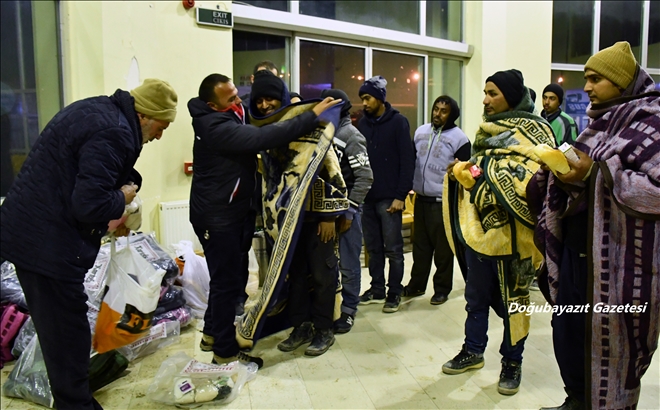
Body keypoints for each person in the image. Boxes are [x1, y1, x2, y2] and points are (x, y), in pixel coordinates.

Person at [0, 78, 178, 409]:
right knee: (67, 335)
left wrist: (124, 192)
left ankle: (74, 398)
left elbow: (89, 173)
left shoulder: (100, 110)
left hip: (38, 234)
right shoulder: (115, 130)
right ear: (144, 116)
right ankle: (76, 404)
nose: (159, 135)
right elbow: (89, 203)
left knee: (63, 330)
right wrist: (122, 199)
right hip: (45, 244)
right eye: (161, 126)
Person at [530, 41, 660, 410]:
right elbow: (586, 184)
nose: (586, 87)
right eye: (586, 78)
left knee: (612, 345)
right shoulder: (600, 122)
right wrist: (563, 175)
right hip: (576, 253)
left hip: (621, 268)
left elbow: (655, 192)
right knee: (569, 333)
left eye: (595, 78)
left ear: (621, 83)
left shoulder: (652, 123)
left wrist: (597, 173)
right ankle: (576, 399)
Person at [188, 73, 340, 366]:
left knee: (233, 280)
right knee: (227, 283)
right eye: (231, 98)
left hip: (241, 213)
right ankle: (224, 352)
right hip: (221, 218)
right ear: (212, 104)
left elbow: (330, 174)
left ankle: (212, 334)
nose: (240, 101)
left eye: (237, 94)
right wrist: (309, 116)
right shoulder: (215, 127)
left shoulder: (227, 114)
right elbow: (264, 137)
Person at [442, 69, 555, 396]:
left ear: (509, 94)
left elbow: (540, 177)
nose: (485, 99)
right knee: (475, 298)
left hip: (519, 238)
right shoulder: (486, 131)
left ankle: (512, 362)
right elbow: (481, 167)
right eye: (485, 93)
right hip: (483, 232)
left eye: (492, 93)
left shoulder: (537, 131)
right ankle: (473, 350)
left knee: (515, 304)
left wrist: (491, 178)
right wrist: (464, 171)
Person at [403, 95, 470, 305]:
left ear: (452, 115)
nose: (437, 114)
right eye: (436, 109)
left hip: (443, 202)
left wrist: (457, 173)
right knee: (420, 247)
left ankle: (441, 289)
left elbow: (467, 172)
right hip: (420, 200)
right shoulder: (420, 132)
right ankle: (416, 285)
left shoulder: (460, 139)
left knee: (443, 250)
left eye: (443, 111)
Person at [356, 76, 415, 313]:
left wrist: (401, 195)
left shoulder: (399, 122)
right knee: (373, 247)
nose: (364, 103)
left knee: (394, 249)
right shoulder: (362, 124)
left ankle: (394, 292)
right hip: (367, 198)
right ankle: (377, 288)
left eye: (368, 98)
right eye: (362, 99)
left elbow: (407, 161)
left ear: (380, 98)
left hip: (390, 198)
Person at [319, 88, 373, 334]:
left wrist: (350, 211)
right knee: (329, 265)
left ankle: (349, 310)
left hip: (348, 211)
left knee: (350, 264)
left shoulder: (351, 135)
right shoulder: (324, 133)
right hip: (325, 212)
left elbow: (364, 177)